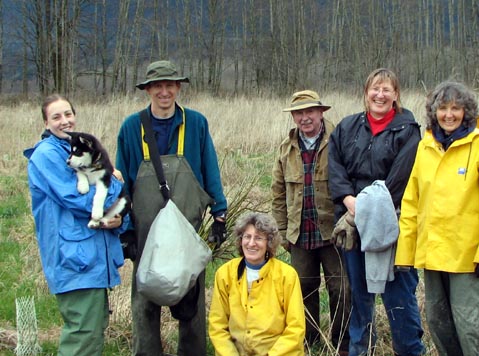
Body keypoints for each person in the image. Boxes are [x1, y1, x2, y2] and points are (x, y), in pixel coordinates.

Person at [116, 60, 228, 356]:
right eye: (157, 86)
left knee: (190, 302)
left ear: (178, 87)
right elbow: (122, 182)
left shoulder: (197, 123)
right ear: (148, 90)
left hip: (186, 228)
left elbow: (210, 169)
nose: (164, 92)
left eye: (169, 85)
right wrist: (125, 232)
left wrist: (220, 213)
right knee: (144, 301)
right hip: (145, 229)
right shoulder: (131, 127)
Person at [396, 81, 479, 356]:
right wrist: (406, 254)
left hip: (468, 258)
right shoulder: (426, 147)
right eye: (443, 108)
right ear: (434, 113)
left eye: (456, 108)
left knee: (468, 327)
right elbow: (412, 202)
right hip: (432, 255)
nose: (449, 114)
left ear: (466, 112)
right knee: (438, 323)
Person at [328, 68, 425, 356]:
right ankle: (361, 349)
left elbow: (399, 180)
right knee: (360, 294)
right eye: (375, 89)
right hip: (353, 223)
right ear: (366, 92)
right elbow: (335, 169)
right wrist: (348, 200)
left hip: (393, 223)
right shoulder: (347, 128)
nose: (380, 95)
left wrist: (367, 207)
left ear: (396, 95)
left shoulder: (409, 131)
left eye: (387, 90)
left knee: (399, 295)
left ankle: (408, 349)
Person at [24, 94, 129, 355]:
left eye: (68, 114)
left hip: (90, 259)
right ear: (46, 122)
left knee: (91, 332)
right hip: (75, 260)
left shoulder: (79, 147)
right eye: (56, 117)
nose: (65, 121)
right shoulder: (47, 155)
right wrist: (115, 181)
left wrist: (117, 220)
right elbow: (79, 199)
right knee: (82, 335)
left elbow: (103, 204)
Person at [271, 90, 350, 355]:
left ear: (321, 112)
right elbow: (278, 193)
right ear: (293, 117)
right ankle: (310, 341)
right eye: (299, 113)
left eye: (309, 112)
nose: (305, 118)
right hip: (299, 234)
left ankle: (341, 342)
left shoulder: (339, 141)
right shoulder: (286, 148)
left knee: (341, 288)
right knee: (303, 289)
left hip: (333, 232)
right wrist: (282, 232)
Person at [208, 212, 306, 356]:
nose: (251, 243)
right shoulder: (225, 273)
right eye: (247, 237)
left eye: (259, 238)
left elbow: (296, 328)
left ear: (269, 242)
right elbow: (217, 326)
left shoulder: (287, 275)